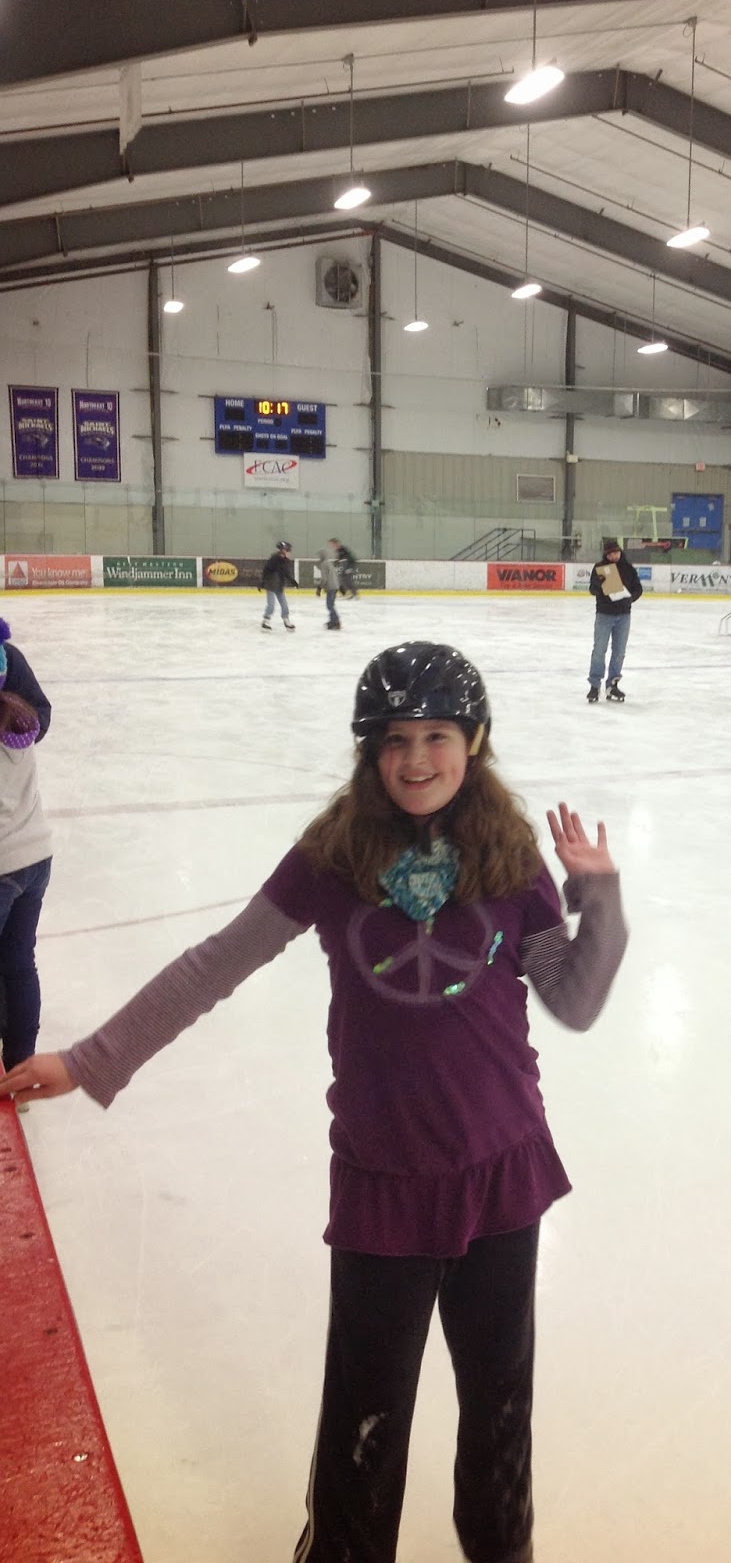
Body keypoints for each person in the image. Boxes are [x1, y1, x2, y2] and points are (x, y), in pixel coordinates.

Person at [0, 641, 628, 1563]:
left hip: (502, 1173)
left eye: (437, 736)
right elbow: (219, 961)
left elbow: (571, 998)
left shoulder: (505, 854)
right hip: (384, 1180)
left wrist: (597, 897)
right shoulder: (334, 858)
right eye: (394, 741)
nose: (416, 760)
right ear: (367, 752)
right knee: (364, 1418)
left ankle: (502, 1549)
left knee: (499, 1404)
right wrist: (92, 1058)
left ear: (474, 740)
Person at [0, 624, 52, 1090]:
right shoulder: (19, 724)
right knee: (18, 962)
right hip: (35, 856)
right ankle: (20, 1065)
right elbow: (40, 712)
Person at [587, 538, 642, 702]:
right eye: (610, 554)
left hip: (624, 616)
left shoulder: (628, 568)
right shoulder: (599, 568)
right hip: (604, 615)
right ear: (606, 554)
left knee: (619, 652)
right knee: (599, 650)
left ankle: (612, 685)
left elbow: (638, 589)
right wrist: (598, 584)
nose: (614, 556)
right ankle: (594, 686)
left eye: (616, 553)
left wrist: (629, 599)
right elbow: (592, 590)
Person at [261, 540, 297, 631]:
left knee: (284, 605)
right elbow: (266, 570)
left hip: (280, 585)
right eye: (287, 550)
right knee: (271, 605)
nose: (288, 552)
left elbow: (286, 572)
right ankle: (266, 621)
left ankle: (286, 620)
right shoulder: (274, 559)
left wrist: (292, 580)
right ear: (282, 550)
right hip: (271, 585)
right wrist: (262, 582)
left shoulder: (285, 561)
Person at [317, 539, 342, 631]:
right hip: (335, 586)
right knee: (331, 604)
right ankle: (333, 620)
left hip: (331, 587)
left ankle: (336, 621)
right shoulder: (329, 563)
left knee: (330, 605)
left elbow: (324, 579)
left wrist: (319, 587)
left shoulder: (323, 564)